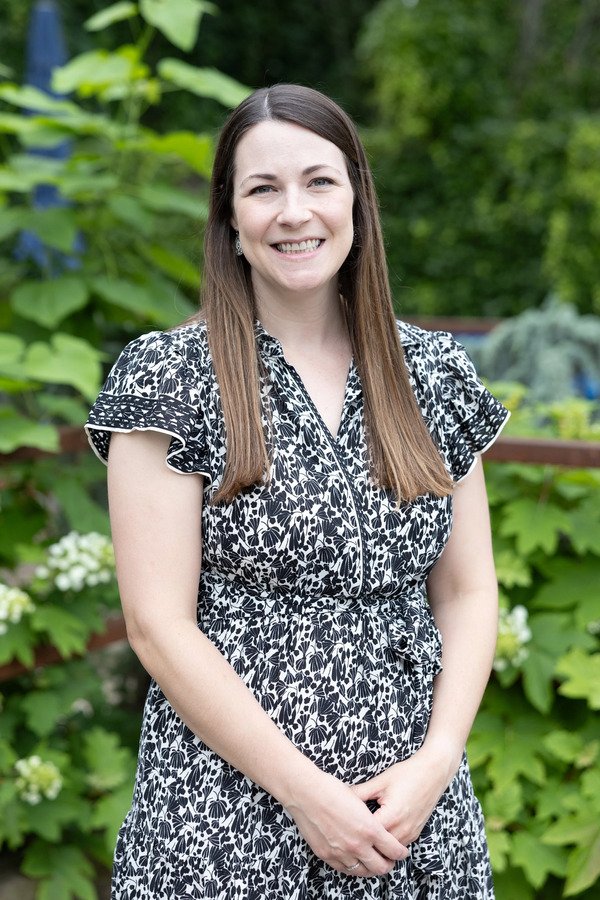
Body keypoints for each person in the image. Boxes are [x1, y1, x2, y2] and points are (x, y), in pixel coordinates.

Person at [86, 83, 509, 899]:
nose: (294, 212)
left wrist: (438, 760)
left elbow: (467, 591)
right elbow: (157, 624)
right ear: (230, 220)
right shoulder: (169, 378)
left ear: (357, 199)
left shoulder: (434, 372)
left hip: (413, 818)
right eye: (263, 189)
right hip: (225, 819)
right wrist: (308, 795)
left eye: (319, 181)